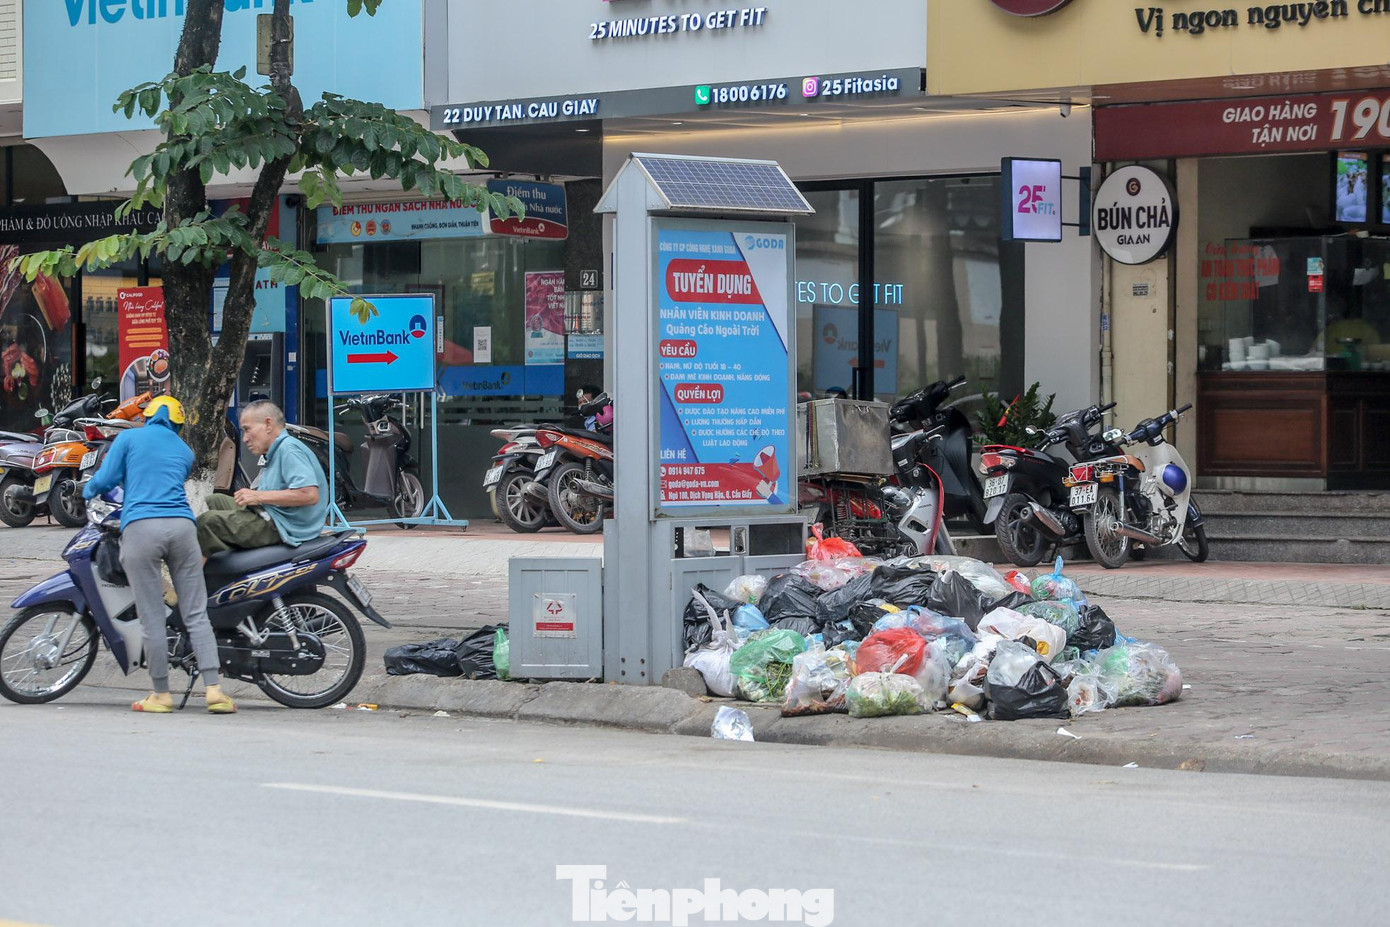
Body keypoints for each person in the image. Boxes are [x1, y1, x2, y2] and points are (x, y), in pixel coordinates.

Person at [82, 396, 235, 714]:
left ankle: (161, 694)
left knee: (151, 617)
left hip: (142, 528)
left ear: (148, 416)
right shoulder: (184, 450)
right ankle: (215, 691)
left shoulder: (128, 437)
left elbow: (108, 479)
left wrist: (87, 490)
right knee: (196, 612)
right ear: (178, 424)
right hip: (182, 528)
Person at [197, 399, 327, 556]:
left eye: (247, 430)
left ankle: (197, 579)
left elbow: (309, 495)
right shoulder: (276, 451)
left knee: (207, 523)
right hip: (272, 514)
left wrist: (258, 496)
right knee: (216, 499)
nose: (245, 438)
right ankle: (228, 561)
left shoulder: (289, 450)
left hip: (283, 525)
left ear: (268, 425)